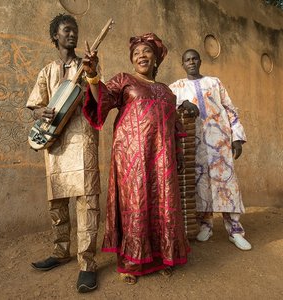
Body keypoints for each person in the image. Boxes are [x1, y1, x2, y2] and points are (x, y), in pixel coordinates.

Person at [82, 33, 190, 284]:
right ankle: (131, 261)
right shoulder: (124, 80)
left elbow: (173, 126)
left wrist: (178, 153)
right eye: (136, 53)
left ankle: (163, 256)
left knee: (163, 205)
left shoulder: (166, 91)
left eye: (147, 52)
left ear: (156, 58)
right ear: (132, 60)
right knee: (135, 205)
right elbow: (102, 101)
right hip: (131, 157)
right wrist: (93, 75)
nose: (141, 56)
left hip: (162, 159)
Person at [26, 14, 101, 293]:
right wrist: (39, 112)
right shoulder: (47, 71)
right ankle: (60, 252)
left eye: (75, 30)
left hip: (82, 139)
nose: (72, 34)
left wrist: (92, 73)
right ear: (55, 36)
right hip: (55, 142)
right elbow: (35, 105)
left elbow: (96, 97)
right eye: (66, 30)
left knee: (87, 202)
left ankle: (87, 264)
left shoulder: (88, 64)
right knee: (57, 201)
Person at [169, 49, 252, 251]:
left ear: (200, 61)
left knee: (227, 184)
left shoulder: (215, 82)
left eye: (194, 58)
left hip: (220, 142)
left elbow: (230, 108)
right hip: (194, 144)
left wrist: (237, 138)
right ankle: (205, 225)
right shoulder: (177, 87)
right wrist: (183, 103)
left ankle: (235, 230)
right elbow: (167, 104)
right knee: (201, 184)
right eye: (187, 59)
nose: (191, 62)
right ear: (182, 64)